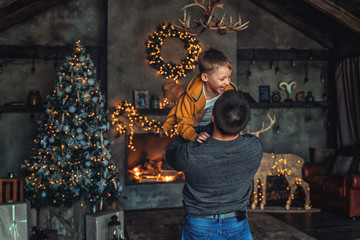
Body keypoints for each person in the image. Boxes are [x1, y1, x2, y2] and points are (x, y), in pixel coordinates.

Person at [166, 90, 263, 240]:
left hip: (199, 224)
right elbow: (242, 135)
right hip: (236, 223)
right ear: (244, 123)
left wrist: (193, 127)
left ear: (212, 118)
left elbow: (170, 155)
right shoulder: (254, 147)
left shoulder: (190, 151)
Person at [163, 48, 238, 143]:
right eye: (222, 79)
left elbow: (235, 112)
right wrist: (194, 136)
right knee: (176, 149)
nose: (227, 82)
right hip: (193, 128)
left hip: (215, 127)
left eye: (229, 77)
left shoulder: (230, 90)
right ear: (205, 77)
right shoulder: (190, 97)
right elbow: (184, 123)